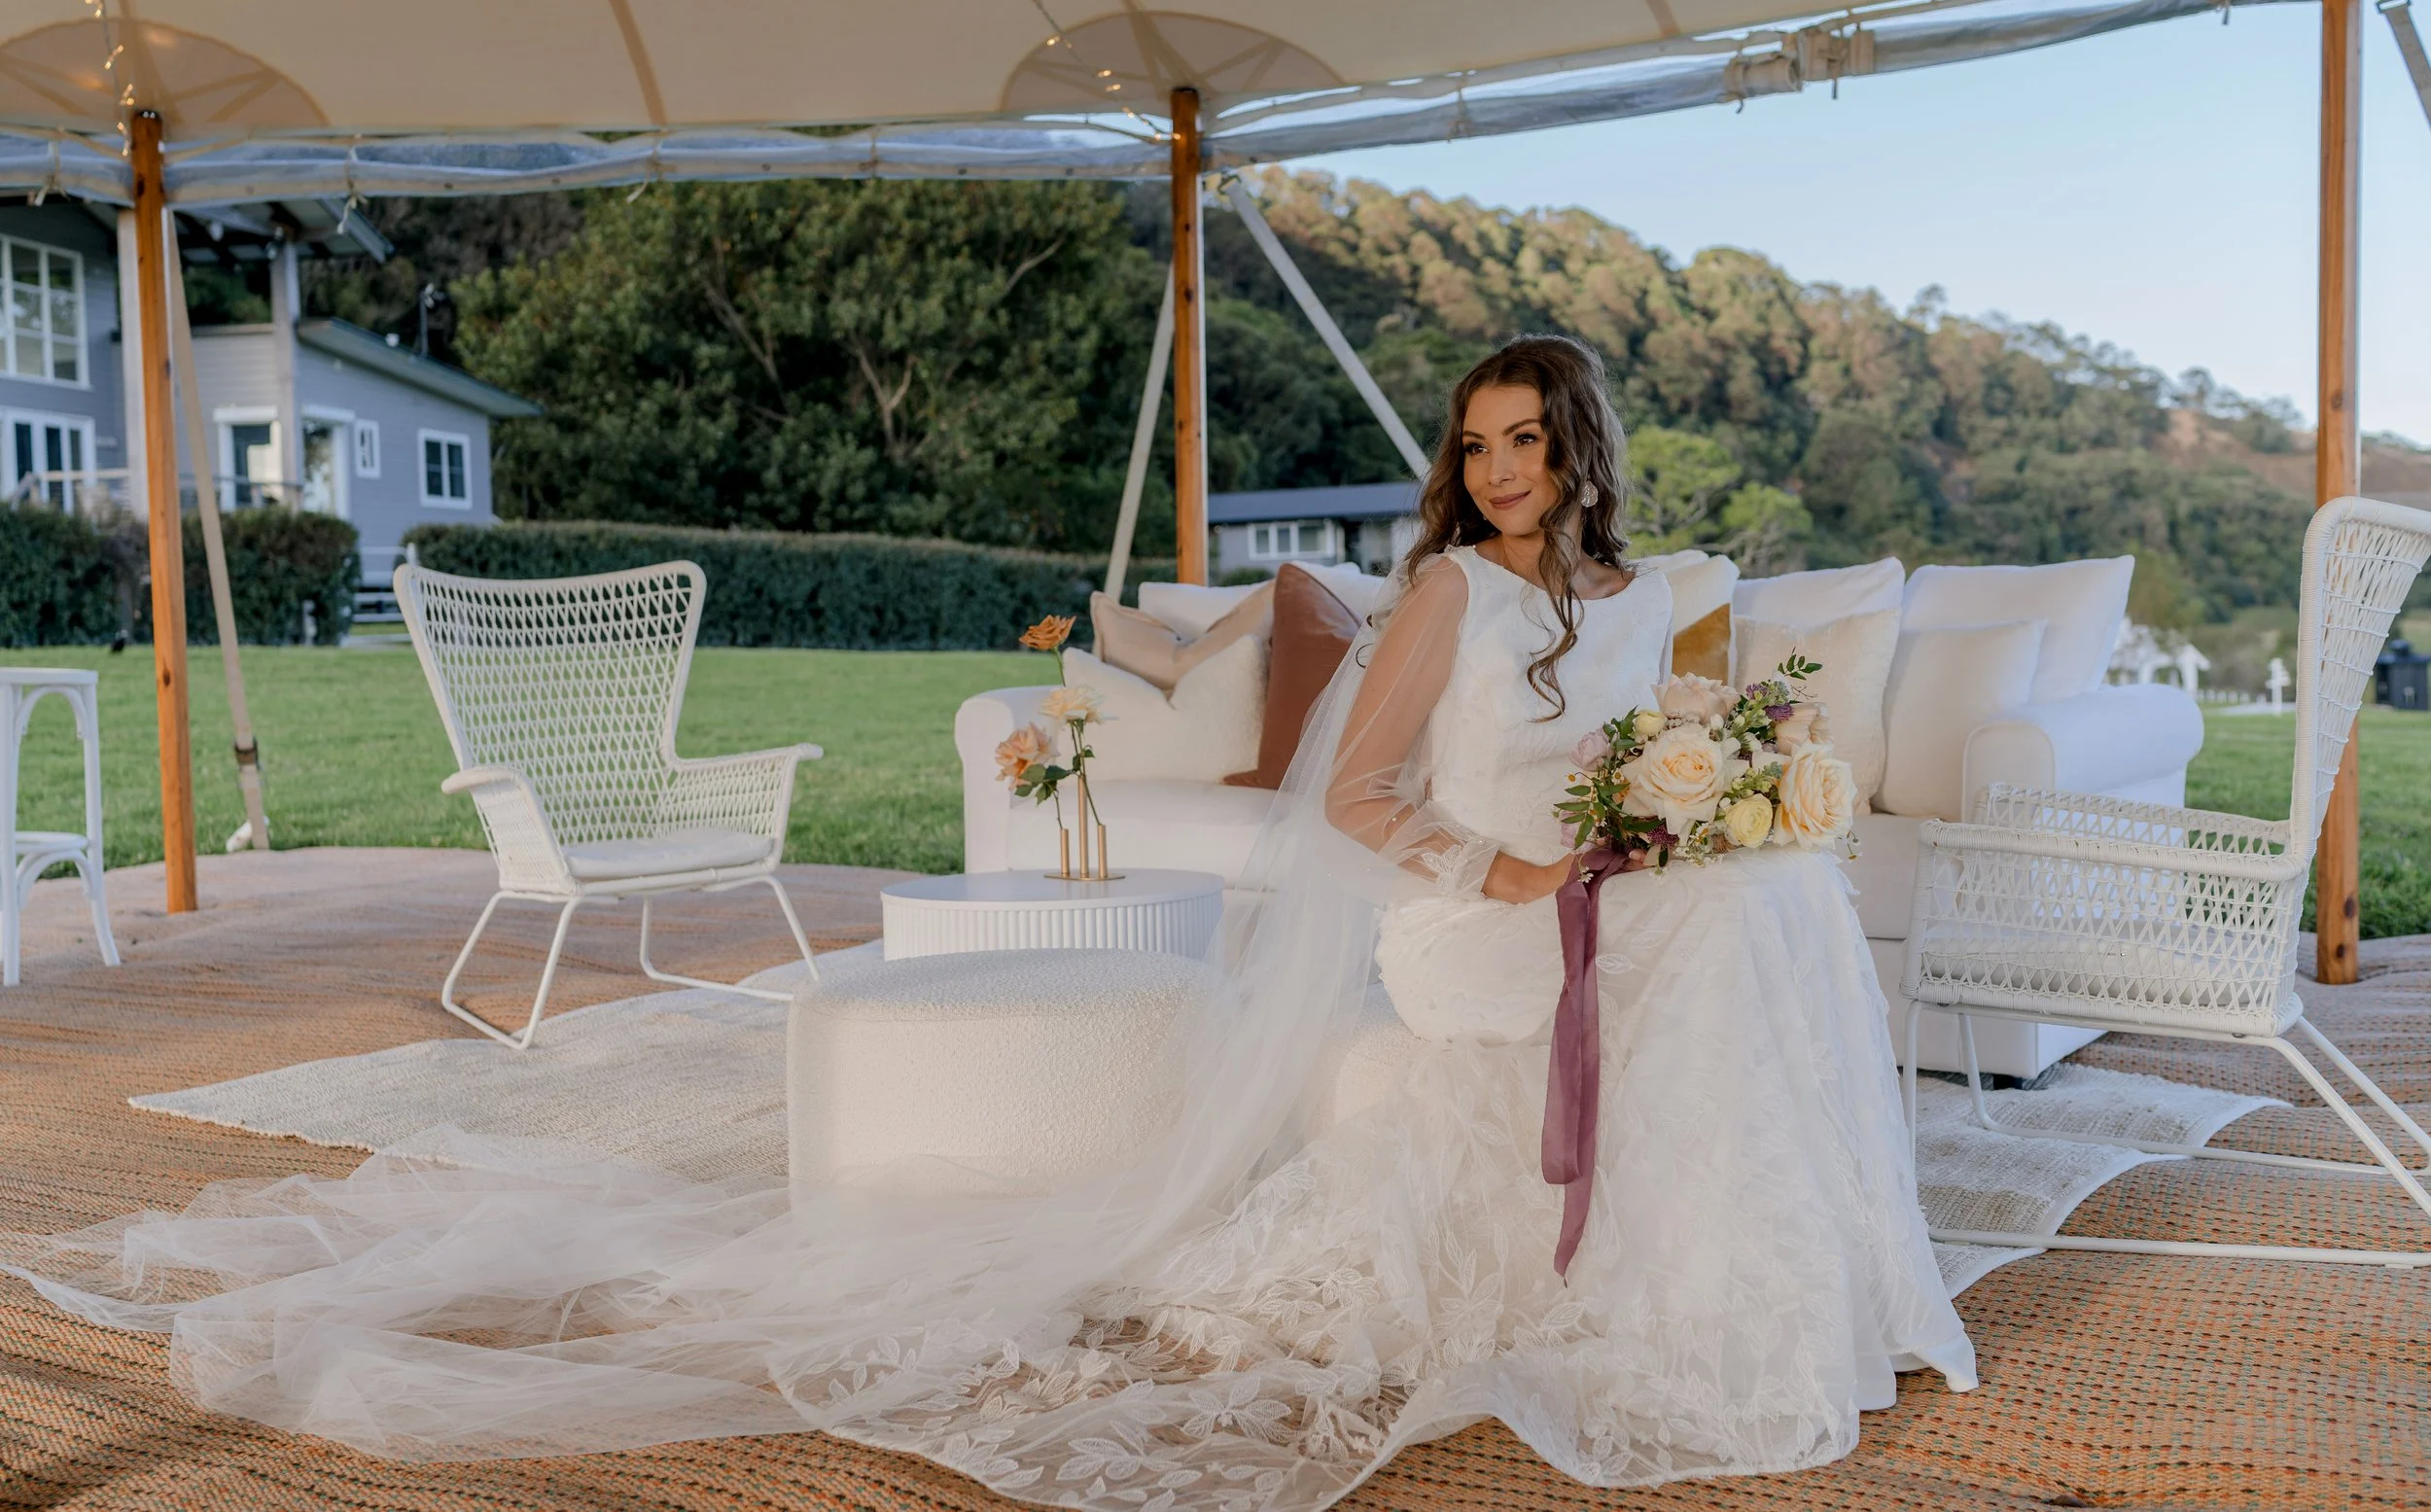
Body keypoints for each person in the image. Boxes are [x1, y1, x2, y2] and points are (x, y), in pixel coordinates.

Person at [5, 335, 1970, 1506]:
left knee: (1769, 899)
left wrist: (1678, 813)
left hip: (1594, 884)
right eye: (1472, 443)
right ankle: (1717, 1301)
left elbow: (1637, 756)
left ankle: (1783, 1292)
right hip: (1470, 919)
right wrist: (1516, 872)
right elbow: (1365, 801)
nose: (1497, 468)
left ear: (1579, 444)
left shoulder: (1623, 597)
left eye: (1523, 438)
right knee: (1736, 927)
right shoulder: (1444, 596)